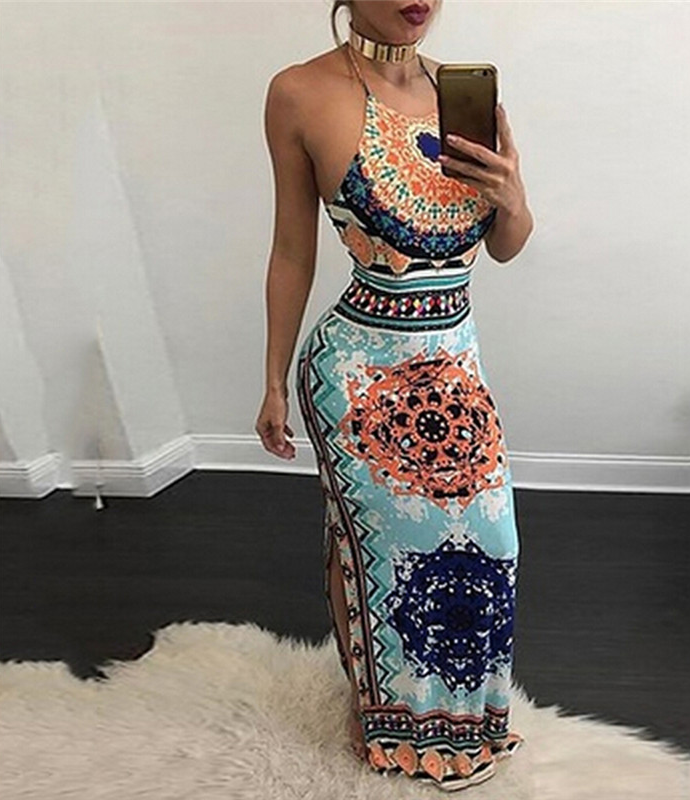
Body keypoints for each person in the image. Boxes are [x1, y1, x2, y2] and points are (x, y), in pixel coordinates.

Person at [256, 0, 534, 790]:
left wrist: (512, 194)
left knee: (492, 546)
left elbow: (507, 246)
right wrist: (273, 378)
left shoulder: (462, 92)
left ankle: (464, 720)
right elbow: (291, 248)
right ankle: (383, 714)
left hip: (454, 362)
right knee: (374, 552)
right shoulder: (300, 92)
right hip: (359, 370)